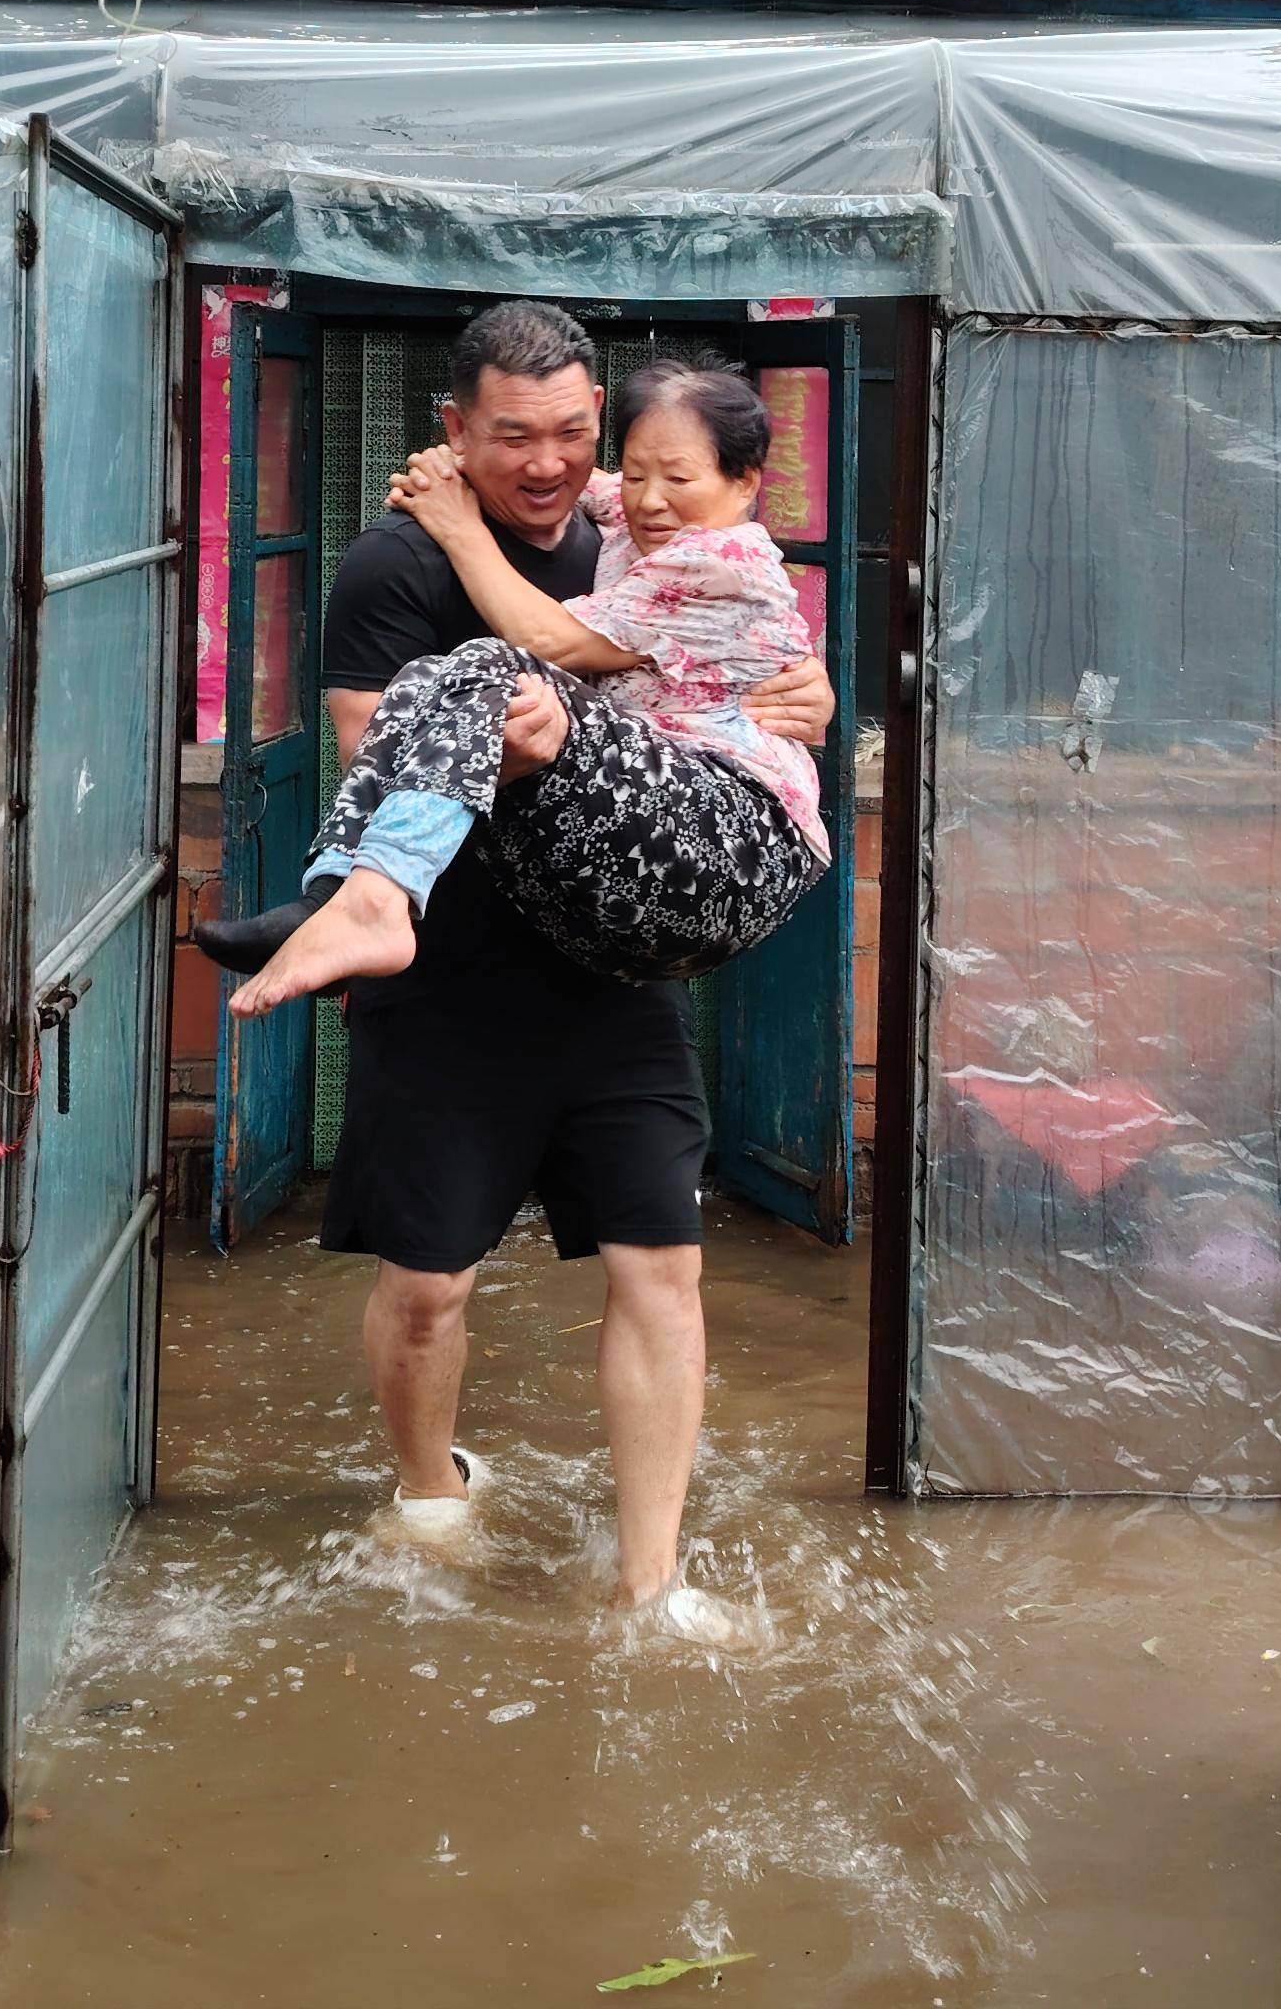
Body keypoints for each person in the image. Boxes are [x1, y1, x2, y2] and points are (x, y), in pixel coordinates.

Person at [213, 301, 830, 1642]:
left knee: (661, 1267)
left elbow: (747, 626)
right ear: (453, 430)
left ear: (596, 419)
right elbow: (380, 751)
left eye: (570, 433)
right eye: (510, 437)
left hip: (609, 976)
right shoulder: (393, 562)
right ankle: (430, 1496)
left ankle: (651, 1581)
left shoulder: (645, 529)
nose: (551, 464)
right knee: (427, 1286)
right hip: (456, 974)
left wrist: (806, 690)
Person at [204, 349, 829, 1012]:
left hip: (734, 845)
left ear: (745, 482)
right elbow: (572, 480)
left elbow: (548, 640)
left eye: (677, 477)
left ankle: (373, 905)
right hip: (614, 904)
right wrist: (456, 461)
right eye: (637, 473)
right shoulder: (643, 517)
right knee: (428, 678)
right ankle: (332, 897)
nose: (650, 498)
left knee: (494, 665)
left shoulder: (718, 559)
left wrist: (457, 524)